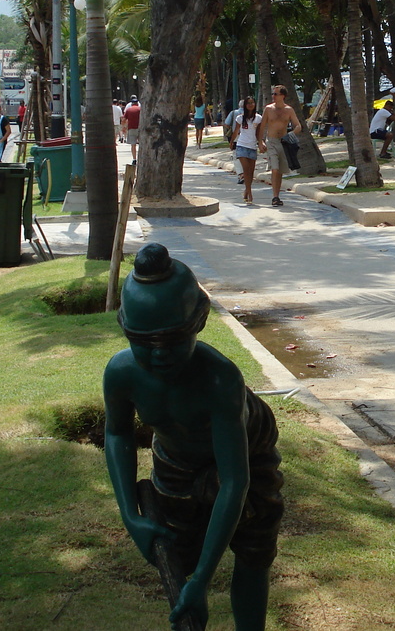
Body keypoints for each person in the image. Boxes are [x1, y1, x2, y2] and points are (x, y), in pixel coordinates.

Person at [104, 243, 283, 631]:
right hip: (176, 458)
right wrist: (130, 516)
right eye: (143, 342)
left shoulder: (220, 381)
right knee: (177, 552)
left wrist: (203, 582)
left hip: (246, 452)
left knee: (253, 548)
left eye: (172, 339)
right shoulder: (121, 374)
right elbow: (116, 433)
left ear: (199, 323)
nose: (158, 355)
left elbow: (235, 480)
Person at [258, 85, 302, 207]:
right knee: (275, 168)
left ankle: (277, 196)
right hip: (271, 141)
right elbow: (262, 126)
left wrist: (292, 133)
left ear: (283, 96)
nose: (273, 96)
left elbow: (298, 125)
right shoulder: (268, 109)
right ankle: (274, 196)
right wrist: (260, 142)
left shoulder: (289, 110)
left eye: (276, 94)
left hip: (283, 142)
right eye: (273, 94)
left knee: (280, 171)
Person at [230, 96, 262, 205]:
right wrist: (231, 142)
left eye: (252, 102)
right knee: (246, 169)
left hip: (252, 147)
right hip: (241, 145)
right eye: (248, 103)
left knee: (251, 172)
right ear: (245, 105)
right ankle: (250, 194)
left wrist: (261, 143)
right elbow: (236, 131)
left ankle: (246, 191)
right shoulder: (240, 118)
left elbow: (258, 133)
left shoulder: (258, 118)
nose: (250, 105)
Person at [124, 95, 142, 163]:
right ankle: (141, 158)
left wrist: (124, 127)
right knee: (141, 144)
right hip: (140, 128)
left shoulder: (128, 109)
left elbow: (124, 119)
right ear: (137, 103)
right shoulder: (141, 109)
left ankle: (134, 159)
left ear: (131, 103)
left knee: (133, 145)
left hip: (131, 128)